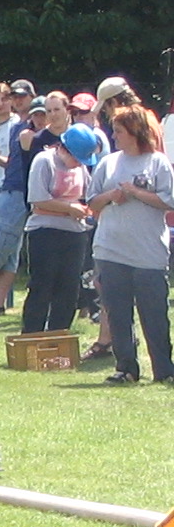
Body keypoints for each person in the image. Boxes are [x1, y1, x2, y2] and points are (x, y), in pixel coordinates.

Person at [85, 104, 174, 384]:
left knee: (155, 315)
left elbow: (169, 202)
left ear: (136, 132)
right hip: (111, 251)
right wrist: (112, 195)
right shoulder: (107, 163)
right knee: (118, 314)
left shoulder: (157, 162)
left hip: (149, 255)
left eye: (119, 131)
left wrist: (136, 192)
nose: (114, 136)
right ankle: (126, 368)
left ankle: (164, 370)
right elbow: (91, 202)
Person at [20, 123, 95, 335]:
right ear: (64, 149)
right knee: (42, 287)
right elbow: (37, 200)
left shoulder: (80, 167)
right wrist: (69, 208)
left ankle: (59, 335)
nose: (78, 164)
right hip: (45, 232)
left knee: (69, 289)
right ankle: (32, 336)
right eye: (76, 158)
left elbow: (89, 194)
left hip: (75, 233)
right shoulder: (44, 161)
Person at [0, 79, 39, 313]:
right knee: (10, 251)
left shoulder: (20, 125)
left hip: (14, 190)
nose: (4, 103)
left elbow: (17, 166)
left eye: (6, 98)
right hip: (1, 187)